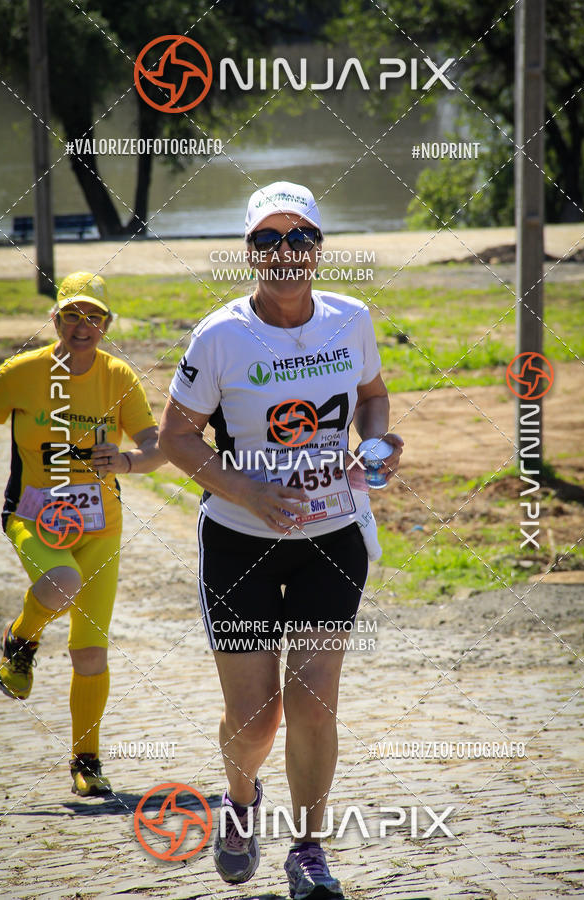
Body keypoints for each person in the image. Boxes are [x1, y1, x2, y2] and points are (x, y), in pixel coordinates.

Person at [159, 181, 403, 899]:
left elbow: (372, 395)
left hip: (333, 534)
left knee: (314, 697)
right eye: (268, 239)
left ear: (319, 248)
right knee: (255, 713)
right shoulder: (220, 335)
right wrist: (250, 491)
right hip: (239, 542)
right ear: (249, 251)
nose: (286, 252)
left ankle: (309, 849)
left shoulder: (351, 319)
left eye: (300, 237)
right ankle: (239, 799)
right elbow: (175, 436)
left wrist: (378, 442)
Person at [0, 272, 165, 796]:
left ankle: (85, 763)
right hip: (32, 515)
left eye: (94, 317)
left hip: (100, 527)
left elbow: (160, 443)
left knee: (90, 653)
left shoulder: (118, 377)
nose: (83, 326)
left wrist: (131, 461)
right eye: (73, 315)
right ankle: (21, 639)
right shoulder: (22, 373)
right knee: (61, 580)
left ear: (107, 325)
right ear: (56, 321)